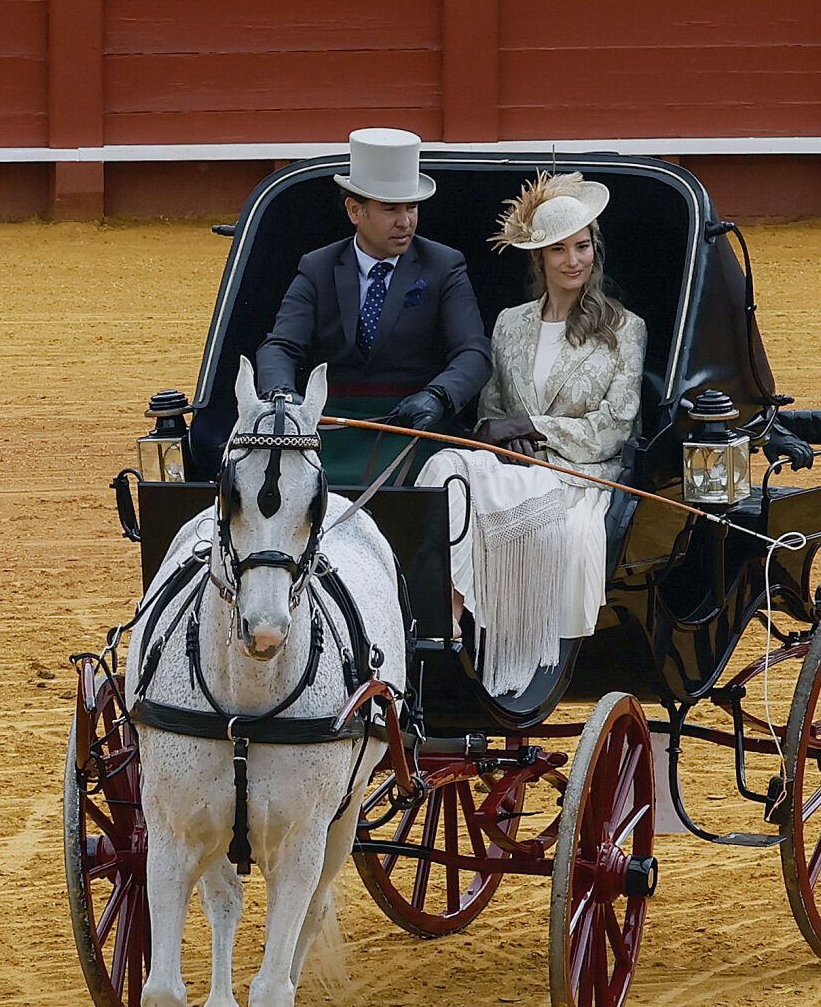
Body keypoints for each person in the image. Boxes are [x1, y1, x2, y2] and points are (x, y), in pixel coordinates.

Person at [417, 172, 648, 696]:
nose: (573, 260)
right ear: (539, 257)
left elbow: (613, 427)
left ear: (596, 250)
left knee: (480, 483)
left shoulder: (624, 328)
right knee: (447, 466)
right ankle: (447, 616)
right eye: (560, 249)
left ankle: (498, 648)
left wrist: (534, 428)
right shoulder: (509, 324)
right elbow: (493, 412)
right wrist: (502, 437)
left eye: (583, 246)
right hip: (512, 469)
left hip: (577, 477)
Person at [254, 128, 490, 438]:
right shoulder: (317, 267)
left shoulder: (444, 265)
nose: (405, 222)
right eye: (391, 209)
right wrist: (282, 395)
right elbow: (281, 346)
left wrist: (438, 396)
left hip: (415, 424)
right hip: (329, 423)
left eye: (412, 208)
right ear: (355, 210)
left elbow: (474, 351)